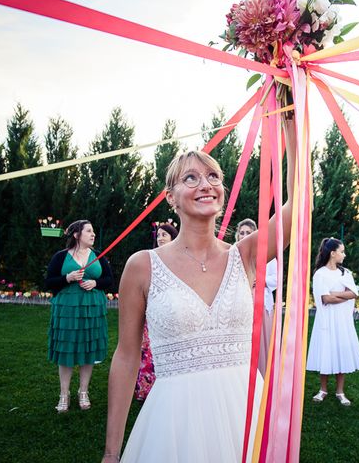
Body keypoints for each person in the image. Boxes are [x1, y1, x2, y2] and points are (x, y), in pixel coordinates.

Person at [102, 115, 296, 462]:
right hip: (173, 425)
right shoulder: (142, 266)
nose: (205, 184)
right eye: (190, 178)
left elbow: (298, 207)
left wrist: (291, 124)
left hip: (243, 414)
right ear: (170, 197)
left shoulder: (246, 254)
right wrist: (111, 453)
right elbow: (127, 356)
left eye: (213, 177)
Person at [45, 220, 114, 413]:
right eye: (89, 231)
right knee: (66, 350)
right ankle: (64, 394)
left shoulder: (98, 256)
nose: (93, 235)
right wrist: (68, 278)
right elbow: (49, 282)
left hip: (92, 309)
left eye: (93, 231)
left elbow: (109, 280)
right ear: (76, 235)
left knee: (88, 350)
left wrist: (95, 283)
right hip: (67, 310)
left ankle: (83, 391)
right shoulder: (61, 257)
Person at [306, 237, 359, 406]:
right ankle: (323, 389)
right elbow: (325, 299)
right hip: (326, 320)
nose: (344, 255)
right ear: (333, 254)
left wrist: (335, 294)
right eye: (342, 251)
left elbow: (353, 293)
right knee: (326, 351)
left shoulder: (345, 273)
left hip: (342, 320)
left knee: (341, 351)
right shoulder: (320, 274)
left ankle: (340, 391)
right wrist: (340, 295)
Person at [134, 222, 179, 401]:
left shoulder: (181, 260)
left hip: (174, 313)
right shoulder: (149, 260)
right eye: (158, 235)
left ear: (173, 237)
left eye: (164, 235)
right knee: (148, 352)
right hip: (153, 311)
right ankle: (146, 390)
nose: (160, 238)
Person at [235, 218, 278, 376]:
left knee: (259, 342)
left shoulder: (268, 254)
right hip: (238, 304)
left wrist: (259, 280)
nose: (245, 235)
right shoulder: (233, 254)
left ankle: (261, 376)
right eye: (242, 233)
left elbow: (277, 279)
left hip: (261, 303)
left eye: (249, 233)